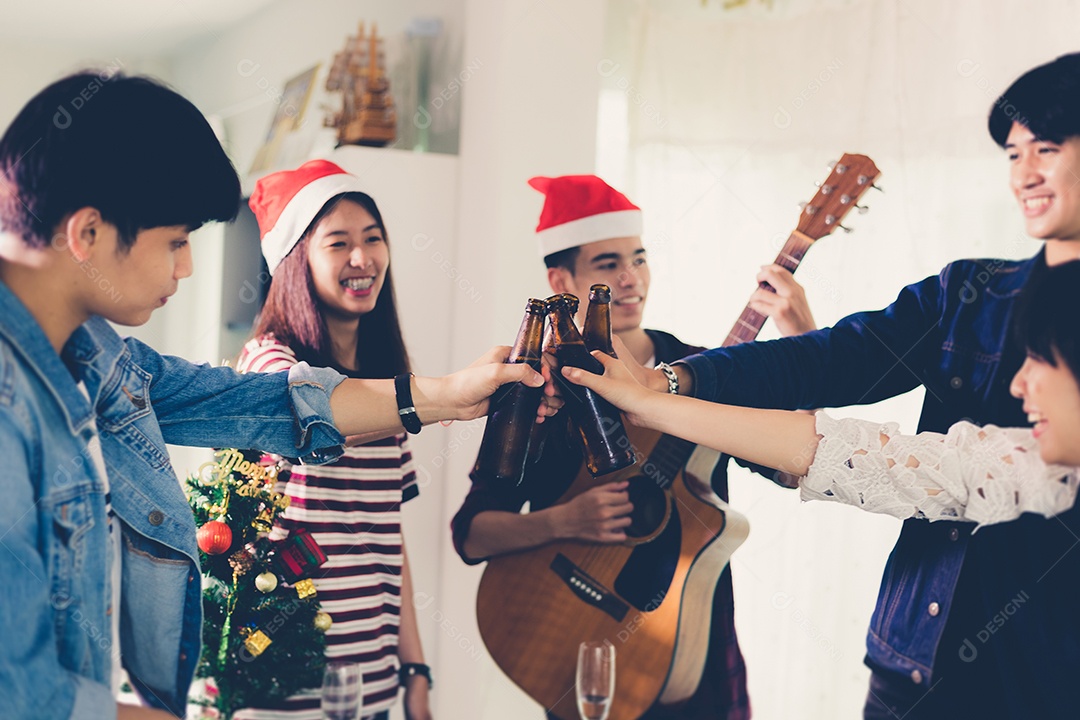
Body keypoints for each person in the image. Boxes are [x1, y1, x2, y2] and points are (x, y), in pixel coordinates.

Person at [0, 72, 543, 720]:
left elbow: (267, 404)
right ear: (87, 234)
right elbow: (23, 695)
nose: (187, 268)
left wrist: (453, 394)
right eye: (175, 241)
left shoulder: (101, 358)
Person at [619, 53, 1080, 718]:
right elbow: (835, 360)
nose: (1025, 174)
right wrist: (673, 378)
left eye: (1046, 148)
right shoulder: (969, 292)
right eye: (1013, 154)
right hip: (915, 656)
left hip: (1043, 676)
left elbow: (894, 460)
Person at [450, 174, 817, 719]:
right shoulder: (535, 387)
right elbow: (471, 534)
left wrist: (803, 338)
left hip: (689, 644)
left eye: (639, 259)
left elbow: (795, 466)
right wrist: (563, 521)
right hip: (574, 642)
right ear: (560, 278)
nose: (629, 279)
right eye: (607, 265)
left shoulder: (704, 370)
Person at [562, 259, 1080, 530]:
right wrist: (659, 391)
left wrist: (655, 399)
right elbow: (839, 406)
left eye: (1041, 359)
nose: (1017, 383)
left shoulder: (1041, 473)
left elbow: (810, 455)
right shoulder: (1023, 465)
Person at [234, 160, 431, 720]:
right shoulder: (268, 362)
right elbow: (312, 407)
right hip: (284, 682)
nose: (363, 259)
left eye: (373, 239)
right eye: (338, 243)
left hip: (374, 685)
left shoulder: (387, 383)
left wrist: (414, 669)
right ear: (297, 263)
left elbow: (389, 540)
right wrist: (442, 397)